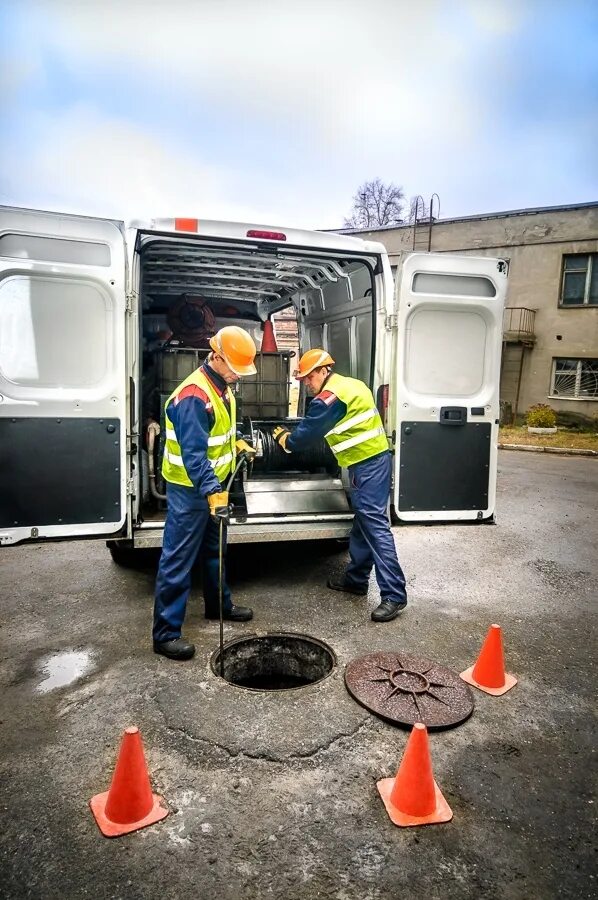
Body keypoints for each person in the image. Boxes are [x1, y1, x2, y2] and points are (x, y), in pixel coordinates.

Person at [273, 349, 407, 622]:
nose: (307, 384)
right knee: (364, 523)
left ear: (324, 370)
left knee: (376, 527)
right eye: (304, 379)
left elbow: (305, 437)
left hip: (367, 466)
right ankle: (356, 581)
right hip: (374, 461)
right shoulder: (353, 384)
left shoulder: (327, 400)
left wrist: (285, 440)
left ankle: (394, 595)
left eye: (309, 378)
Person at [153, 326, 257, 660]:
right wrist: (212, 491)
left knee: (217, 551)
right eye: (234, 369)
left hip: (214, 486)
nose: (237, 376)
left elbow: (220, 432)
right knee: (178, 558)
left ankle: (219, 606)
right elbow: (194, 455)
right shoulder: (194, 397)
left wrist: (237, 440)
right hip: (191, 490)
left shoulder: (221, 385)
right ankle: (166, 634)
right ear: (216, 356)